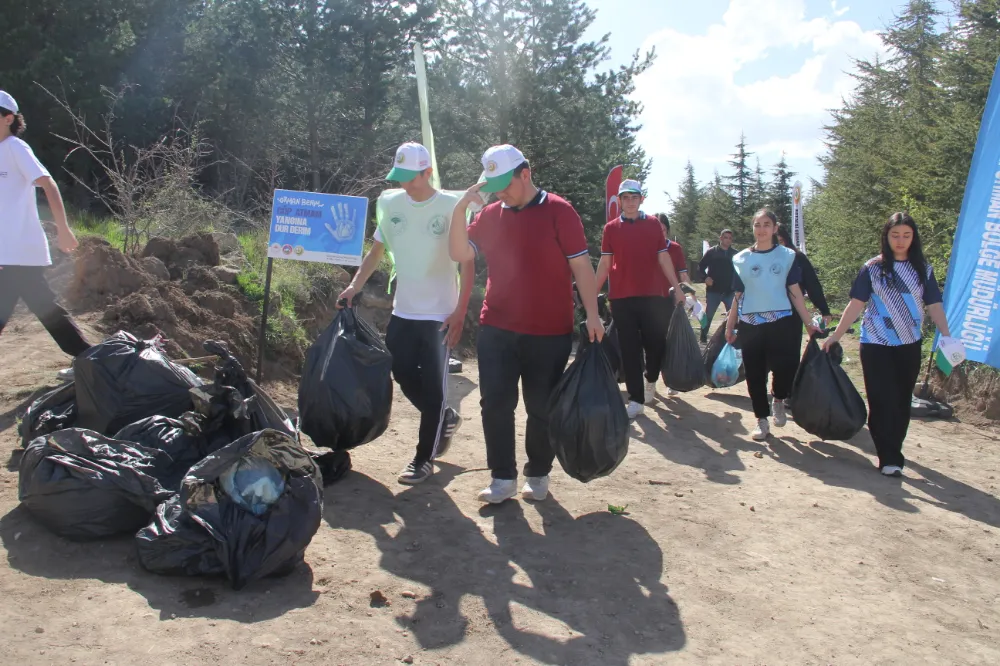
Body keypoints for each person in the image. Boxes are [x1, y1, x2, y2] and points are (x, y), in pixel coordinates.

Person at [449, 144, 603, 504]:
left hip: (549, 331)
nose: (501, 192)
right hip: (498, 327)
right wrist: (459, 209)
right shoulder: (488, 215)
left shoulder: (559, 211)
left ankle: (538, 472)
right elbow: (460, 253)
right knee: (495, 404)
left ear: (525, 174)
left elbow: (581, 266)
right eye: (494, 185)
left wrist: (593, 314)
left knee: (541, 406)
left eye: (506, 183)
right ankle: (502, 477)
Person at [337, 142, 473, 485]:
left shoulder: (451, 206)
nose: (405, 185)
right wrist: (355, 286)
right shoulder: (391, 204)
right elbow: (376, 252)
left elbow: (468, 260)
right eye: (400, 178)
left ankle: (422, 458)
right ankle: (444, 416)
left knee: (433, 385)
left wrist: (460, 310)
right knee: (399, 372)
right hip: (404, 311)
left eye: (411, 178)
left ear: (428, 173)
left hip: (440, 314)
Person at [822, 213, 952, 477]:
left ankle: (894, 448)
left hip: (909, 344)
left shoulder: (923, 270)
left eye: (906, 235)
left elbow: (934, 305)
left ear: (913, 238)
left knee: (901, 402)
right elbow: (856, 304)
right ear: (886, 237)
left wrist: (947, 336)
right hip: (875, 344)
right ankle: (888, 457)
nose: (900, 241)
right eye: (895, 235)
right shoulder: (872, 268)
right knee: (880, 401)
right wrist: (835, 336)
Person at [0, 90, 91, 378]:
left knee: (45, 309)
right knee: (45, 308)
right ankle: (91, 362)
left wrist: (63, 230)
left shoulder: (15, 148)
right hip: (8, 252)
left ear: (8, 118)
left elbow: (48, 185)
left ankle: (92, 363)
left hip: (21, 251)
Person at [725, 209, 819, 441]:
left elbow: (794, 290)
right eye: (757, 224)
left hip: (783, 322)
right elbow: (738, 294)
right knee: (755, 372)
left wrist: (808, 322)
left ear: (775, 228)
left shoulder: (787, 256)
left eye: (767, 224)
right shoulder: (741, 259)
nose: (762, 229)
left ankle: (778, 398)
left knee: (785, 367)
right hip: (751, 323)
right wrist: (730, 324)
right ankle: (761, 419)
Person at [593, 183, 683, 420]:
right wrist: (592, 292)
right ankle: (636, 399)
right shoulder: (611, 228)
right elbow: (604, 263)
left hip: (653, 297)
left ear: (641, 199)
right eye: (626, 197)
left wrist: (676, 286)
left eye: (635, 197)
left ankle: (651, 378)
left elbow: (663, 258)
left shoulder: (653, 224)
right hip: (622, 298)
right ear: (620, 200)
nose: (630, 201)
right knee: (630, 350)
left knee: (655, 344)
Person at [775, 222, 833, 409]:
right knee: (770, 353)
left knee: (790, 352)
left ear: (783, 239)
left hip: (792, 311)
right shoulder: (760, 257)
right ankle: (777, 391)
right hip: (765, 312)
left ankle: (787, 393)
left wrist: (824, 309)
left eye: (777, 239)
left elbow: (812, 284)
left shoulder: (797, 258)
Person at [655, 213, 690, 398]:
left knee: (670, 342)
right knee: (652, 341)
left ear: (667, 229)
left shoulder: (675, 248)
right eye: (655, 228)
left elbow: (683, 274)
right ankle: (650, 378)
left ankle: (670, 379)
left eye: (662, 228)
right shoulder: (646, 247)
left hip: (670, 300)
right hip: (650, 301)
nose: (659, 232)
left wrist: (687, 293)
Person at [698, 229, 738, 343]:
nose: (728, 240)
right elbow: (700, 267)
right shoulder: (712, 252)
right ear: (720, 238)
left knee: (732, 317)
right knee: (709, 315)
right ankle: (703, 337)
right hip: (713, 291)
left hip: (730, 291)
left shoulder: (735, 254)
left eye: (730, 238)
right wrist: (705, 278)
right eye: (726, 237)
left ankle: (731, 339)